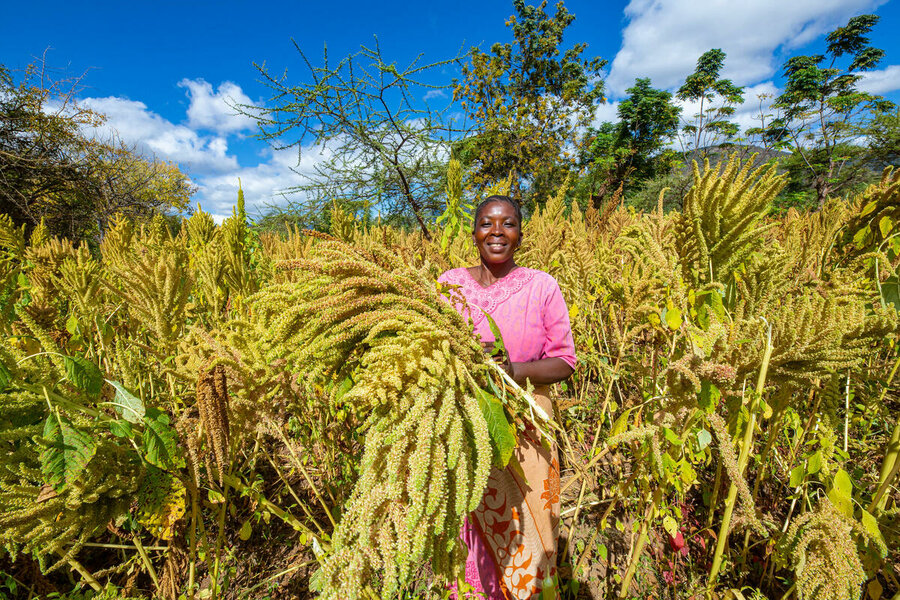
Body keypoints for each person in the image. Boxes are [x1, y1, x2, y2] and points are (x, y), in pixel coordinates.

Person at [438, 195, 576, 599]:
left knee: (530, 537)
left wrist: (512, 370)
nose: (496, 232)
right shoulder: (448, 285)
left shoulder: (541, 285)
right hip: (465, 431)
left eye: (508, 223)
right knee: (472, 536)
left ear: (520, 233)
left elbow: (565, 361)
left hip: (528, 428)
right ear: (474, 230)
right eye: (486, 223)